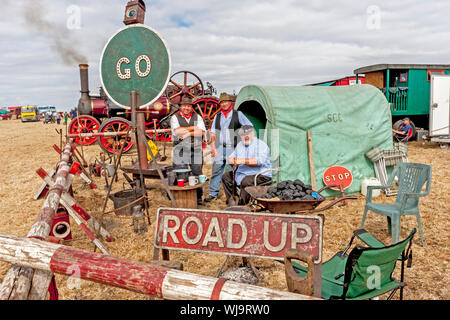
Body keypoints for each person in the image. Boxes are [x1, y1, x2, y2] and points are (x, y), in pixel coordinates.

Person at [204, 93, 253, 203]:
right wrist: (213, 148)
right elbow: (212, 133)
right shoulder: (217, 116)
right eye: (222, 102)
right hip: (219, 147)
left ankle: (234, 194)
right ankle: (213, 193)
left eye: (226, 101)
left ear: (230, 102)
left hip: (234, 148)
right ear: (220, 104)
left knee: (234, 172)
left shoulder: (238, 114)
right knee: (216, 171)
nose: (224, 104)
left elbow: (249, 127)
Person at [222, 125, 272, 206]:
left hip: (260, 174)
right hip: (243, 173)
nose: (245, 136)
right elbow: (232, 157)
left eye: (247, 134)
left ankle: (243, 205)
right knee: (226, 177)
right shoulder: (240, 145)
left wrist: (241, 161)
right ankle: (233, 202)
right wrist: (230, 159)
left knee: (246, 181)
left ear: (252, 133)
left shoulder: (261, 145)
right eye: (242, 134)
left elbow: (259, 161)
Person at [170, 96, 207, 205]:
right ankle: (181, 199)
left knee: (197, 173)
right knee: (180, 173)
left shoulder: (197, 117)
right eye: (184, 105)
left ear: (191, 107)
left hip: (195, 149)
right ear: (181, 107)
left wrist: (187, 133)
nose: (186, 108)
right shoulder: (174, 118)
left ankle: (198, 199)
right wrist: (193, 128)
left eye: (189, 106)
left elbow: (202, 132)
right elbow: (177, 131)